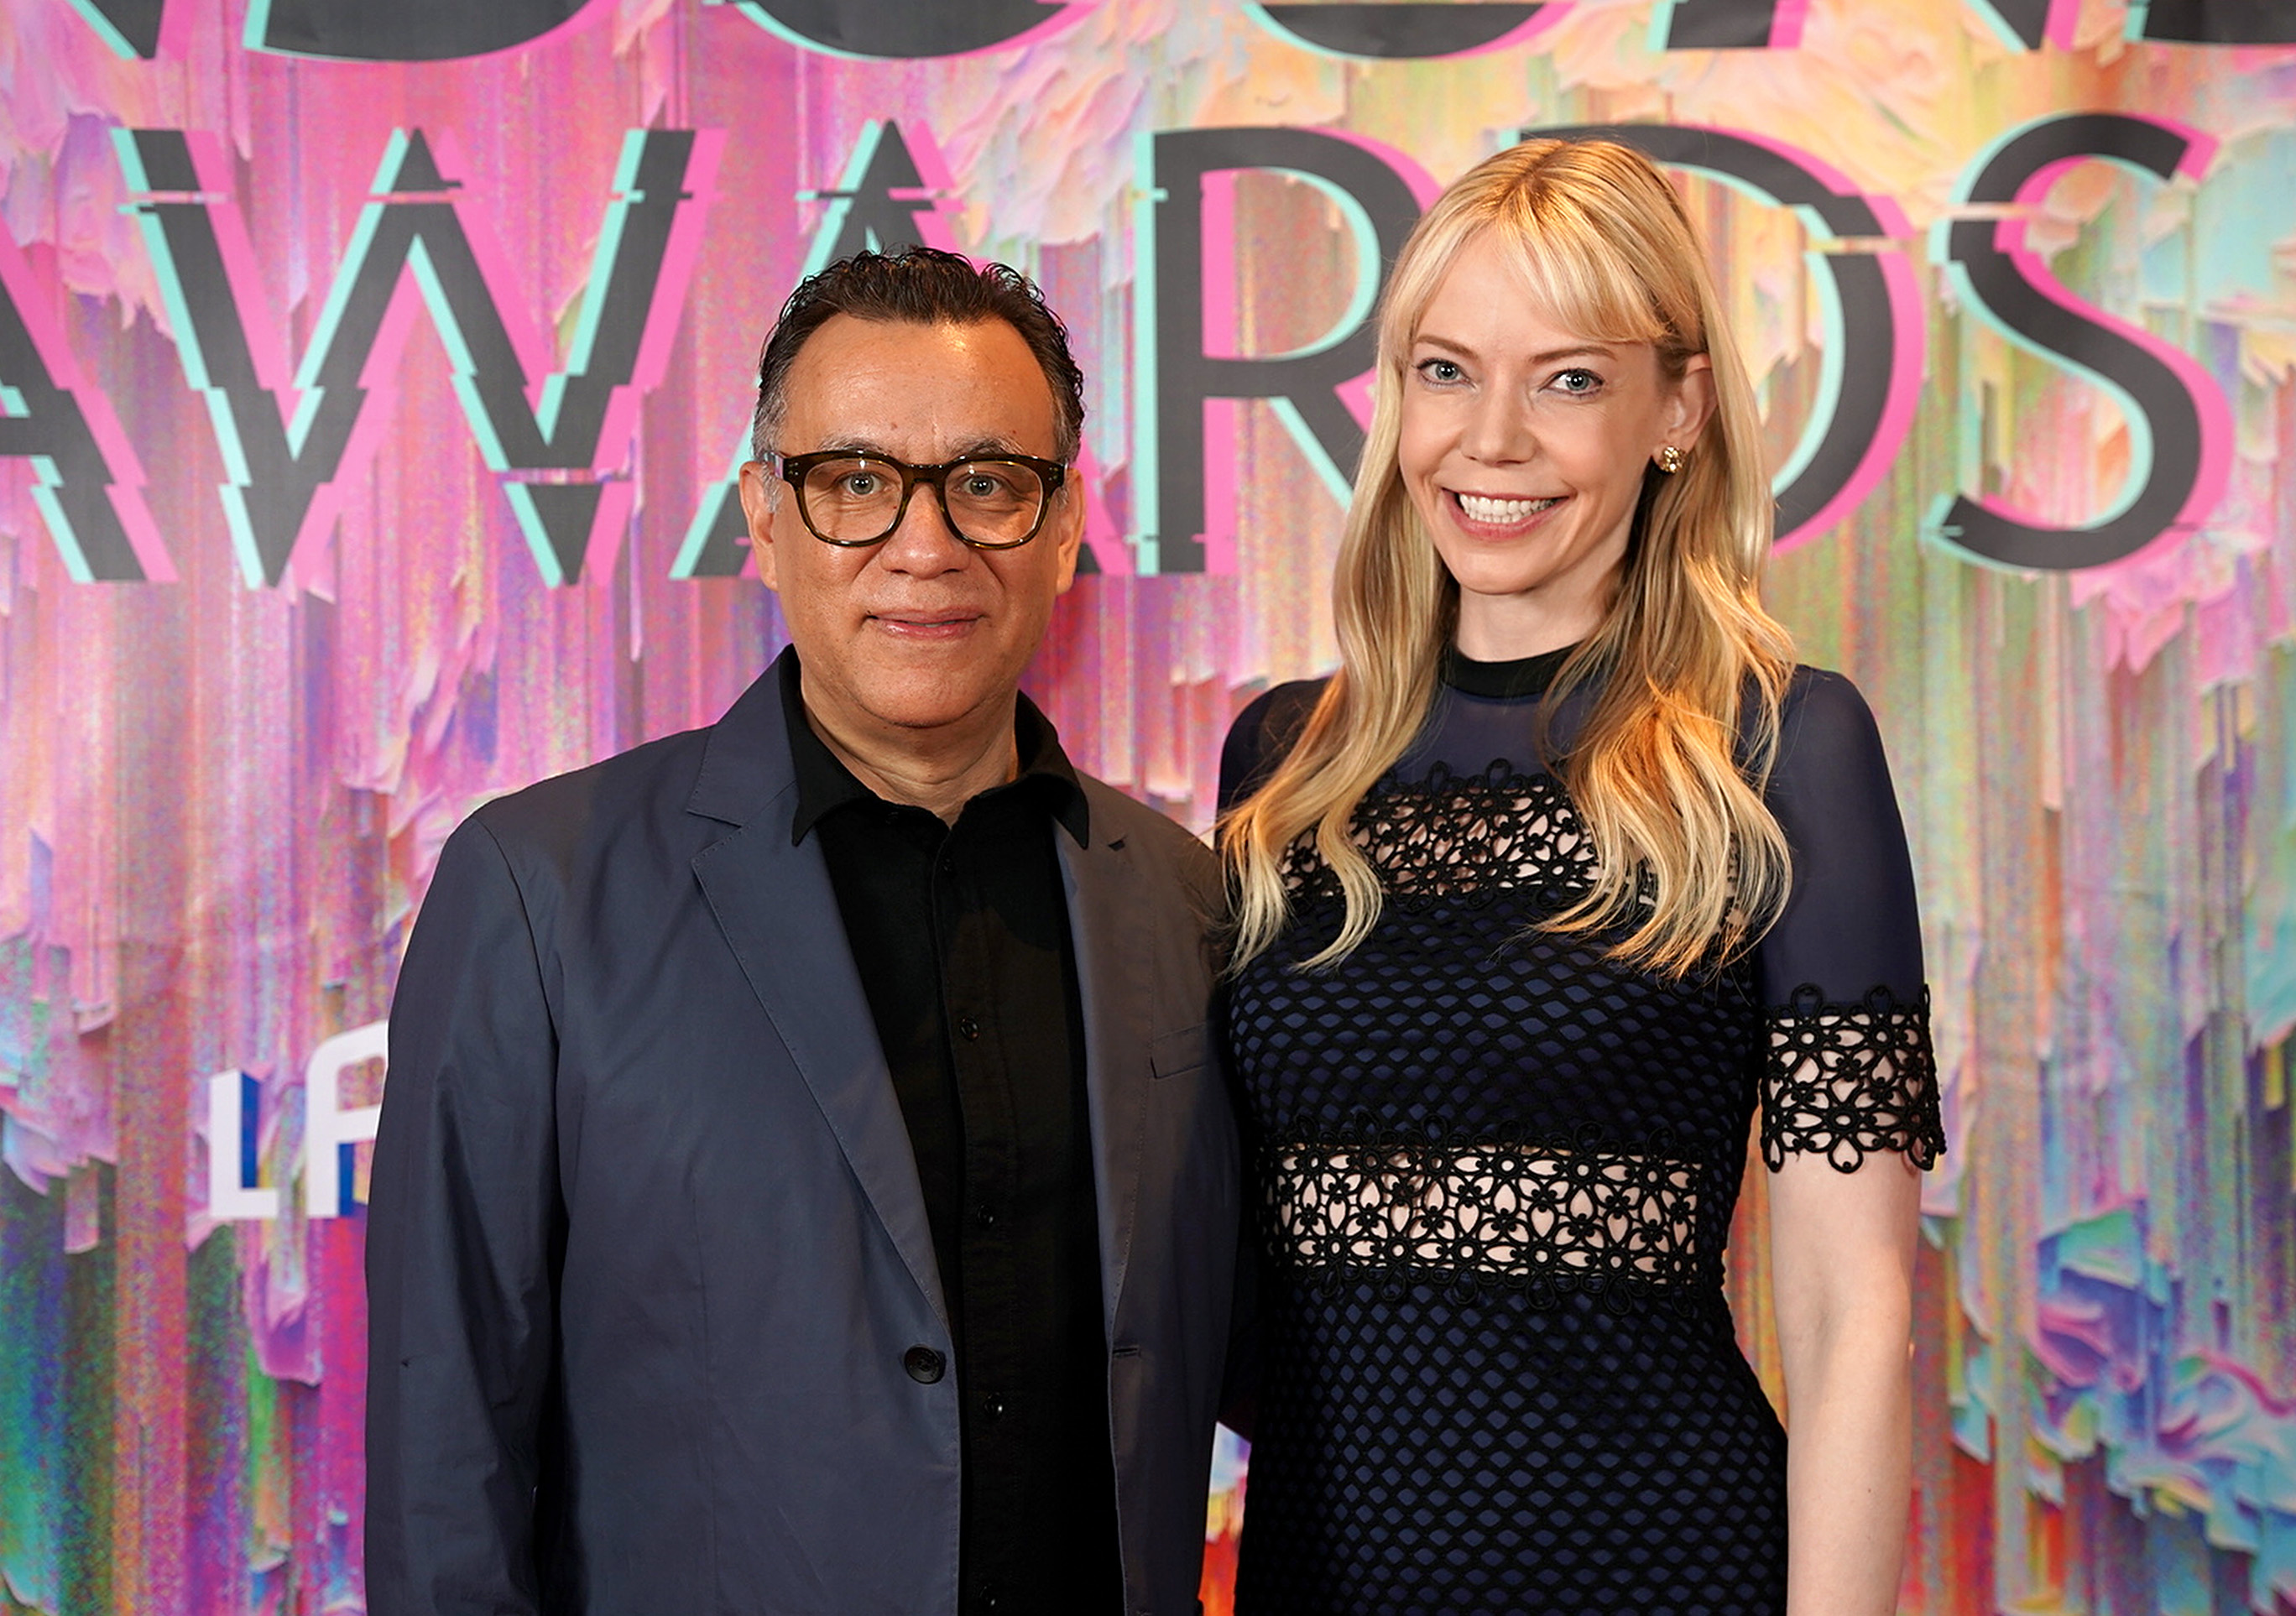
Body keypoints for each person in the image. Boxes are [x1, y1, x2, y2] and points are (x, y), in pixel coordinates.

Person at [365, 247, 1242, 1615]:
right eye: (854, 483)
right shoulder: (537, 894)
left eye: (989, 483)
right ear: (762, 519)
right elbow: (445, 1457)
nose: (926, 544)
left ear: (1066, 529)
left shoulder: (1183, 902)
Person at [1216, 138, 1944, 1614]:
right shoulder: (1282, 758)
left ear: (1675, 411)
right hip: (1318, 1572)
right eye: (1443, 370)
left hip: (1658, 1563)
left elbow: (1851, 1311)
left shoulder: (1784, 745)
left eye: (1566, 379)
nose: (1490, 439)